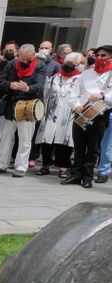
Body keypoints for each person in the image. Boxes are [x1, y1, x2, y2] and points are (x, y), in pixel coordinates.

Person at [0, 44, 46, 178]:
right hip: (10, 104)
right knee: (5, 137)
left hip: (28, 104)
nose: (25, 61)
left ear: (33, 55)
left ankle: (21, 166)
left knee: (25, 138)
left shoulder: (40, 66)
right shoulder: (12, 64)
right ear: (18, 55)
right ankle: (1, 164)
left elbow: (40, 85)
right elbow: (0, 82)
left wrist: (28, 88)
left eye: (28, 59)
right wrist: (10, 85)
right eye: (22, 58)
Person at [65, 44, 112, 189]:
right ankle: (75, 174)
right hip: (82, 112)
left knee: (93, 148)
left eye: (103, 56)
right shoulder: (86, 74)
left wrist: (103, 96)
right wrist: (76, 105)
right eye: (97, 55)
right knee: (78, 146)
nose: (99, 58)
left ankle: (87, 176)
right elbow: (74, 93)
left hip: (100, 114)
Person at [37, 52, 81, 178]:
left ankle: (63, 166)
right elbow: (46, 93)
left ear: (77, 65)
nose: (69, 65)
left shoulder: (80, 79)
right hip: (52, 112)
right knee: (47, 138)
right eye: (67, 62)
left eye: (72, 63)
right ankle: (45, 165)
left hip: (69, 113)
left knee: (65, 139)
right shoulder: (55, 77)